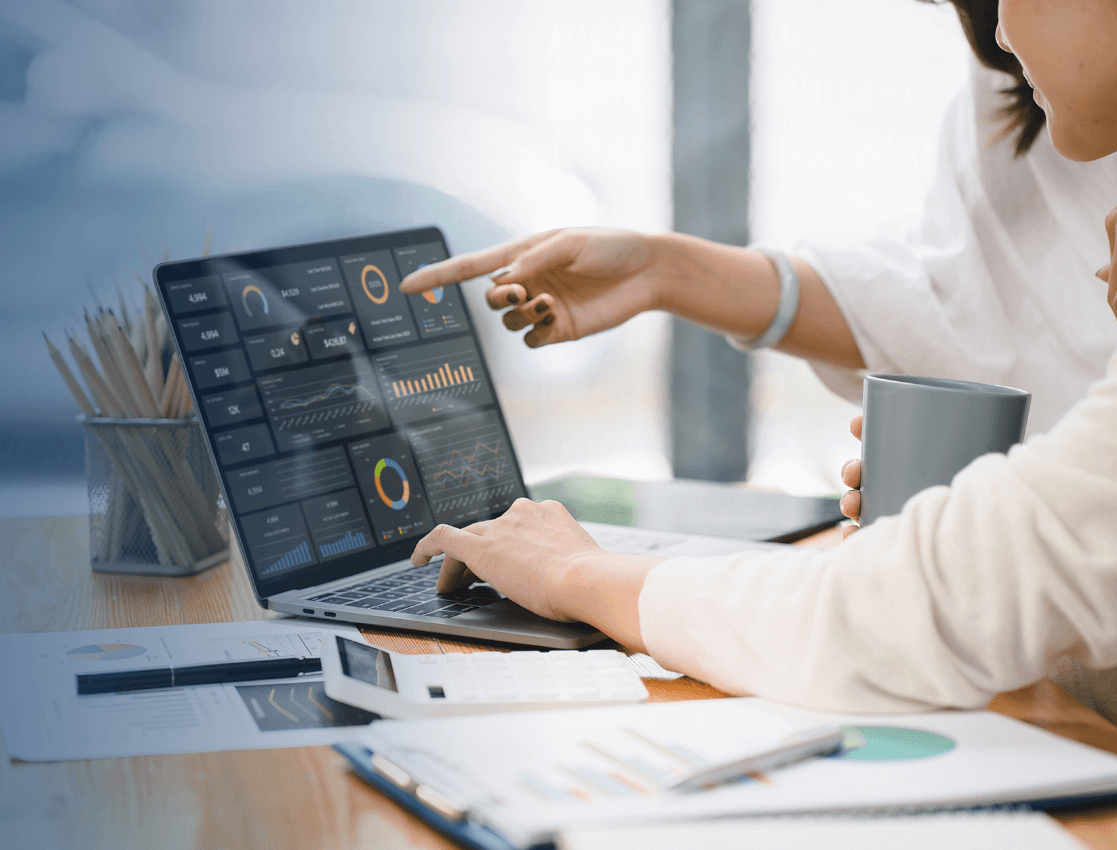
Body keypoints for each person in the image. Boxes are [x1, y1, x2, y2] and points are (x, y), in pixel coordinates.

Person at [396, 0, 1117, 716]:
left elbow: (886, 620)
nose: (994, 32)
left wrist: (572, 573)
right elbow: (965, 307)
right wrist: (666, 270)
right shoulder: (1026, 93)